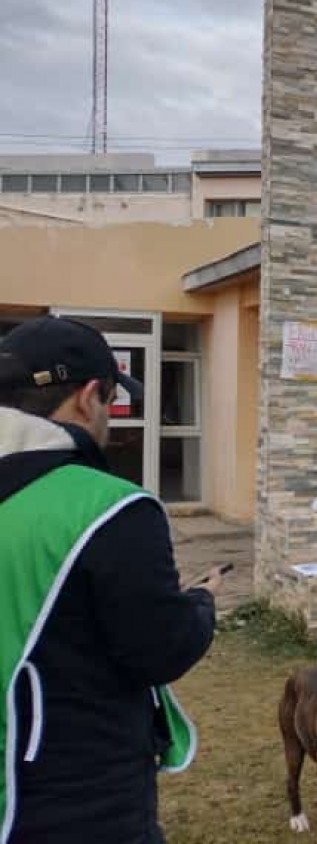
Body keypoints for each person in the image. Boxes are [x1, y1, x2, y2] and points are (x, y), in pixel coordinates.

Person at [0, 316, 226, 842]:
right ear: (87, 397)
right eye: (109, 402)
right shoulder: (110, 509)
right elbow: (160, 649)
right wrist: (200, 603)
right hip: (77, 797)